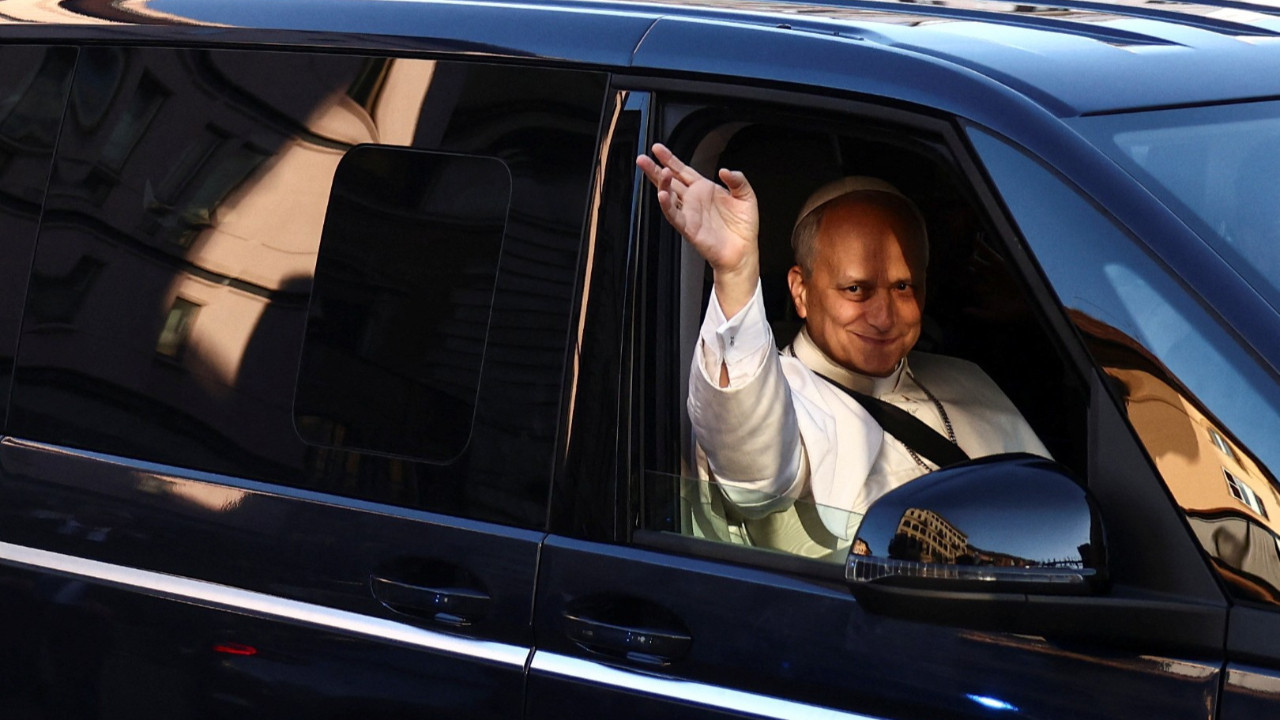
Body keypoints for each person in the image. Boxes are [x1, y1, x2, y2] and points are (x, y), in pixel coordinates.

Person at [637, 143, 1048, 559]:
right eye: (856, 289)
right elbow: (754, 476)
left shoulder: (966, 376)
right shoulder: (775, 389)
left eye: (903, 287)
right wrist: (736, 273)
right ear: (800, 291)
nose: (884, 317)